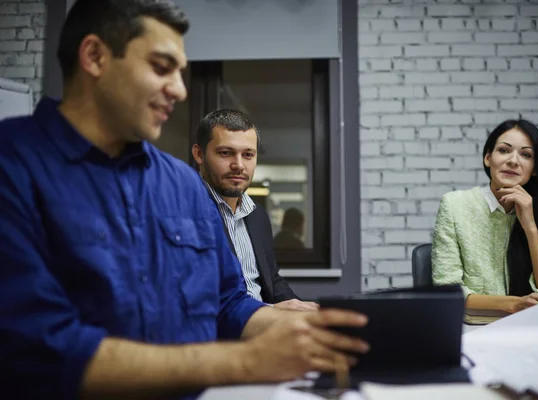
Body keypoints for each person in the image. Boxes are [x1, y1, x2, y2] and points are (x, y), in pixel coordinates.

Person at [0, 1, 369, 399]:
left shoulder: (182, 184)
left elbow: (228, 304)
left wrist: (313, 332)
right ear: (95, 56)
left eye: (179, 71)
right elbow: (37, 348)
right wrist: (245, 363)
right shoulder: (13, 165)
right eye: (161, 67)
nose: (179, 89)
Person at [432, 119, 538, 314]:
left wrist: (530, 227)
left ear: (535, 168)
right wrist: (513, 304)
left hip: (530, 326)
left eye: (526, 154)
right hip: (476, 327)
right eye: (504, 150)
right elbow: (447, 291)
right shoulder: (455, 206)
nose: (513, 160)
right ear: (488, 158)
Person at [191, 109, 317, 311]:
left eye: (248, 155)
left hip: (264, 327)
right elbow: (199, 296)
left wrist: (304, 310)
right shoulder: (185, 211)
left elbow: (271, 280)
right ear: (199, 154)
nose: (238, 165)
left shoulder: (257, 214)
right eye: (226, 153)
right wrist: (272, 311)